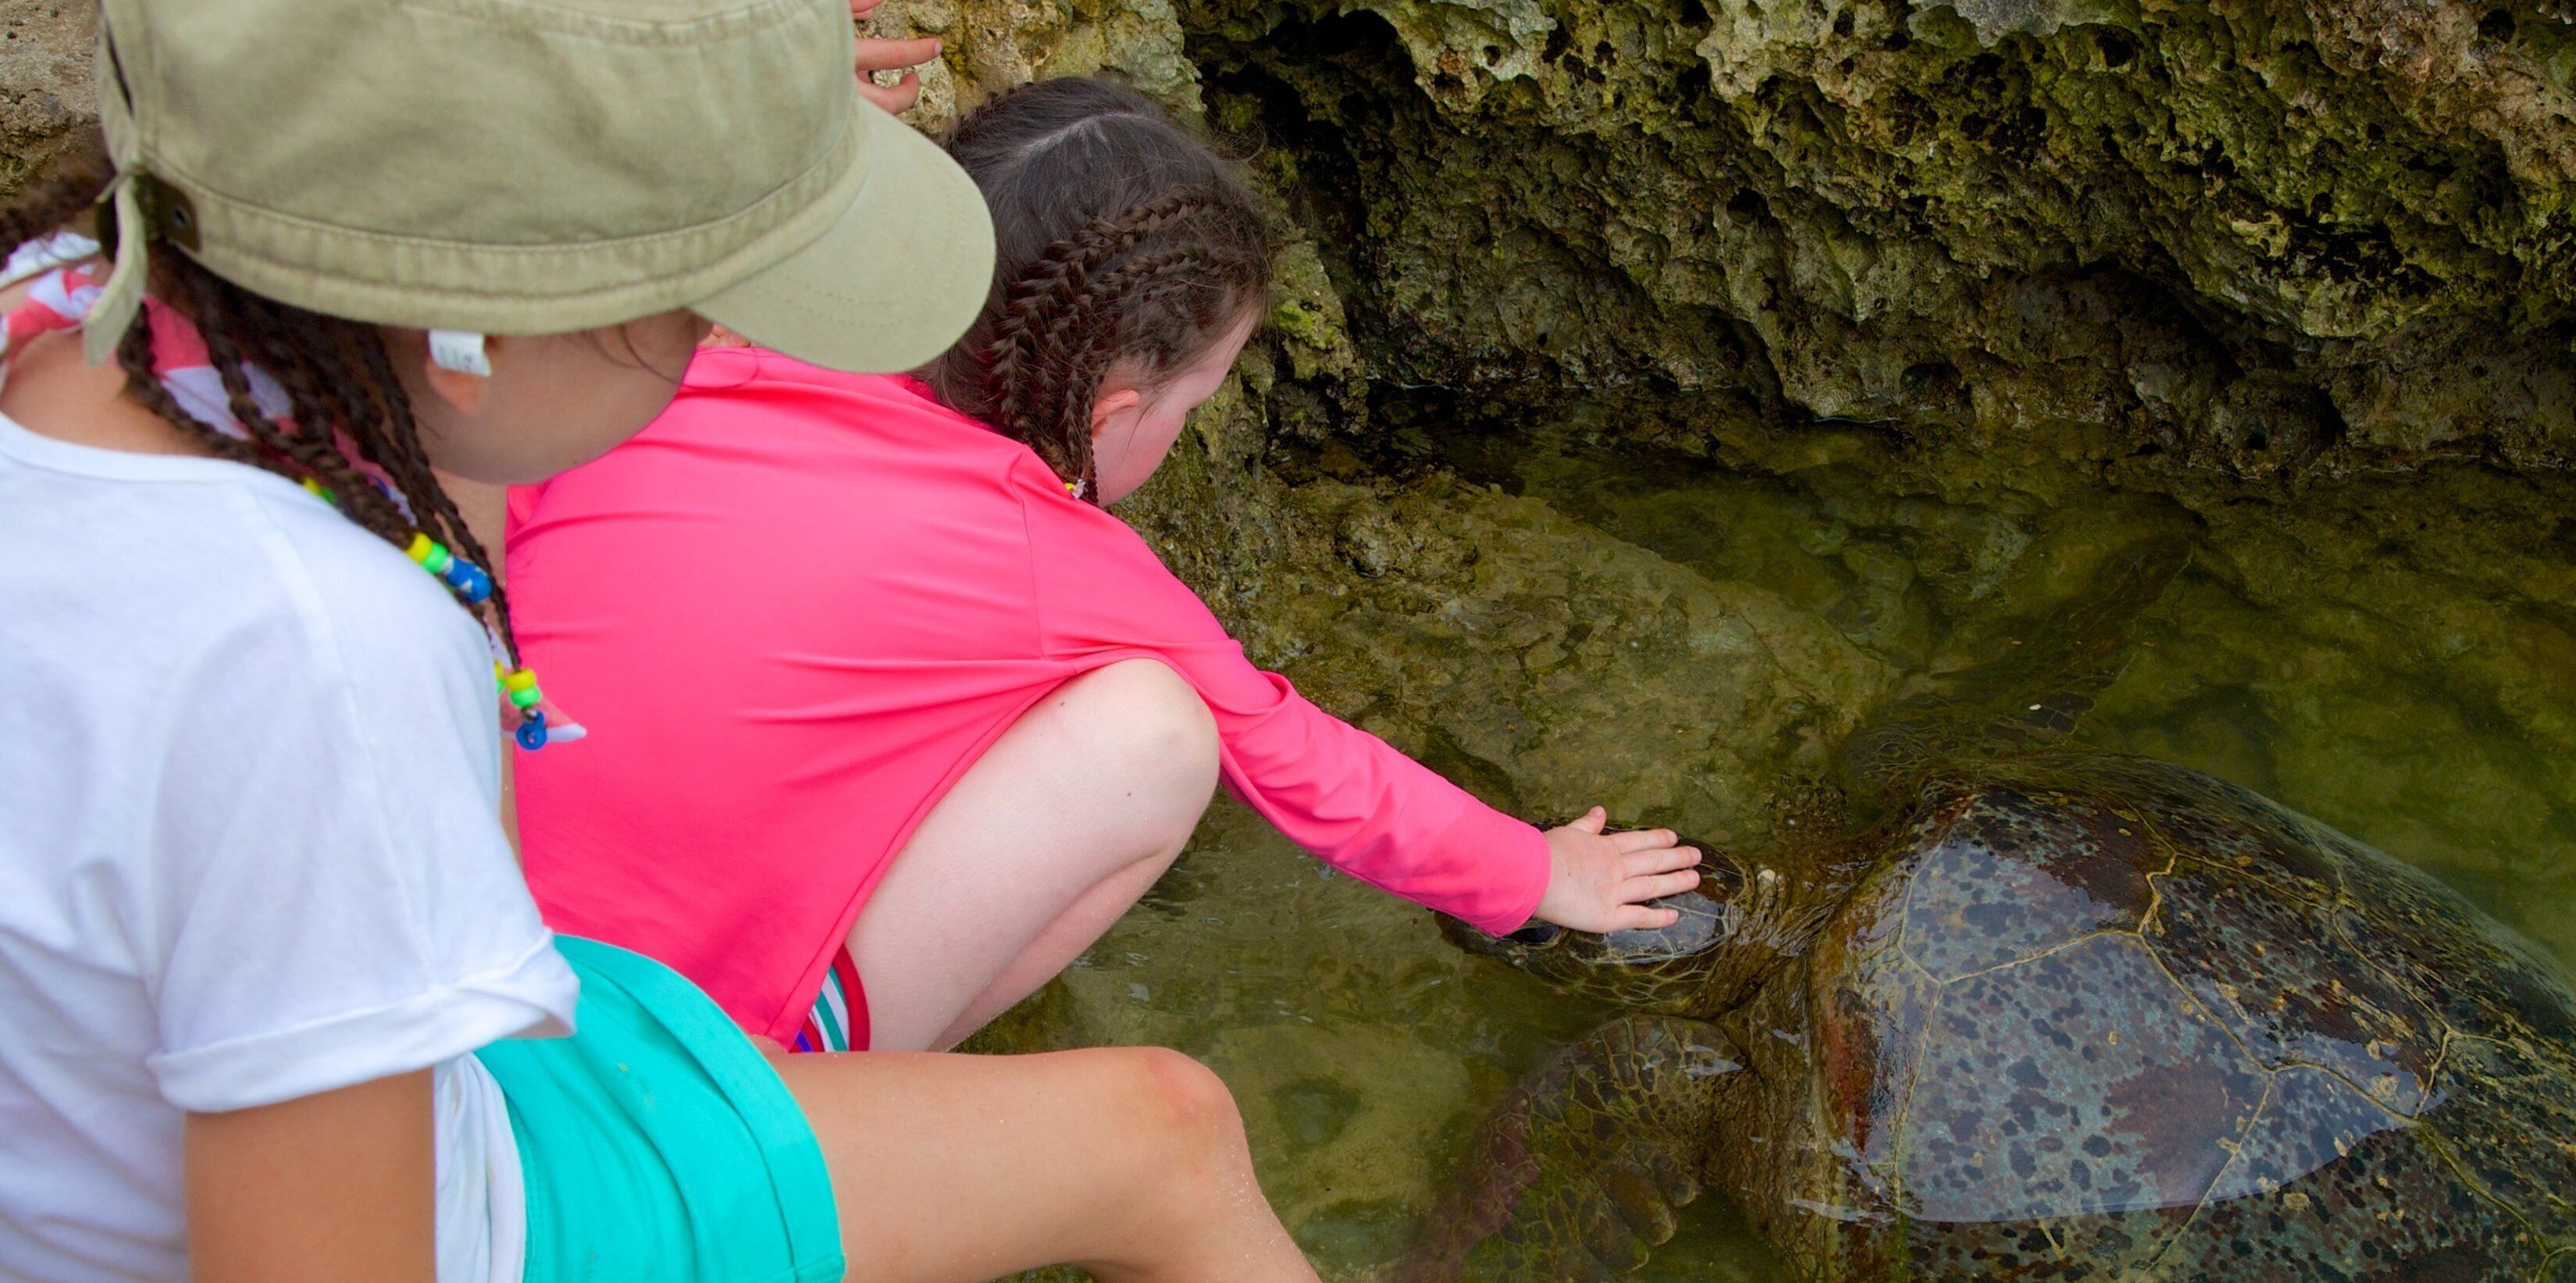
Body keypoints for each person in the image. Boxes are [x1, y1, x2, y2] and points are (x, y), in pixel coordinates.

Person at [0, 8, 1647, 1283]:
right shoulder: (314, 672)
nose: (738, 337)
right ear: (481, 332)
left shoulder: (74, 303)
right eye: (705, 297)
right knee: (1161, 1134)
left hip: (97, 1239)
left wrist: (699, 124)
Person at [504, 77, 1706, 1056]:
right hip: (657, 1068)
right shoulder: (1059, 559)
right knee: (1159, 736)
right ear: (1114, 407)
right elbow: (1305, 767)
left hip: (463, 940)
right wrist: (1538, 870)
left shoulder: (697, 359)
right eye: (1198, 399)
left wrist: (782, 107)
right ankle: (838, 1115)